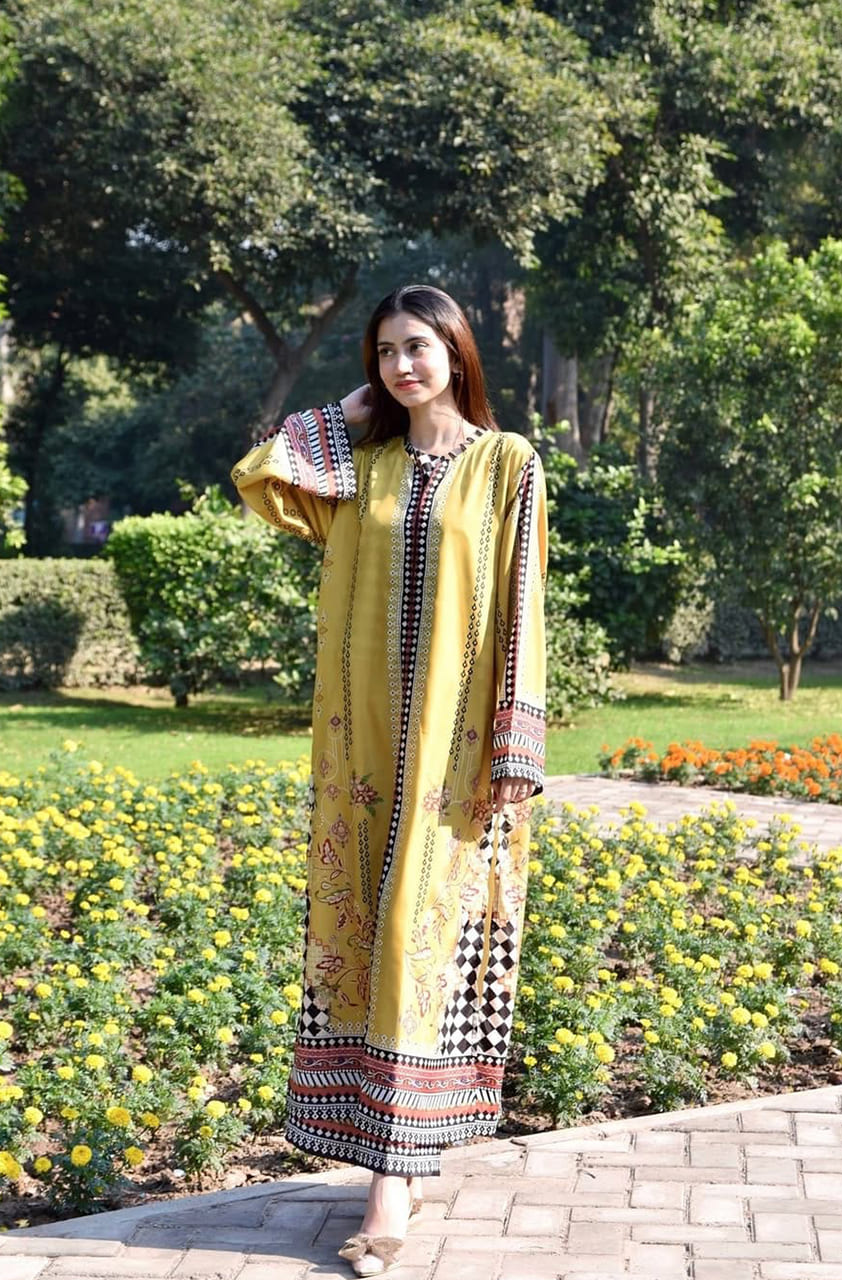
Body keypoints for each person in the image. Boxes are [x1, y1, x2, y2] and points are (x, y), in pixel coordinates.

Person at [230, 284, 547, 1277]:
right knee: (364, 938)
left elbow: (524, 603)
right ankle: (396, 1162)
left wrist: (514, 748)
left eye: (418, 346)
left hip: (457, 761)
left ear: (456, 350)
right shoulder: (358, 464)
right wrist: (341, 412)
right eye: (384, 352)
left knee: (422, 942)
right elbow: (257, 478)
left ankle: (387, 1192)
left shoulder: (505, 463)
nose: (402, 365)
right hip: (360, 758)